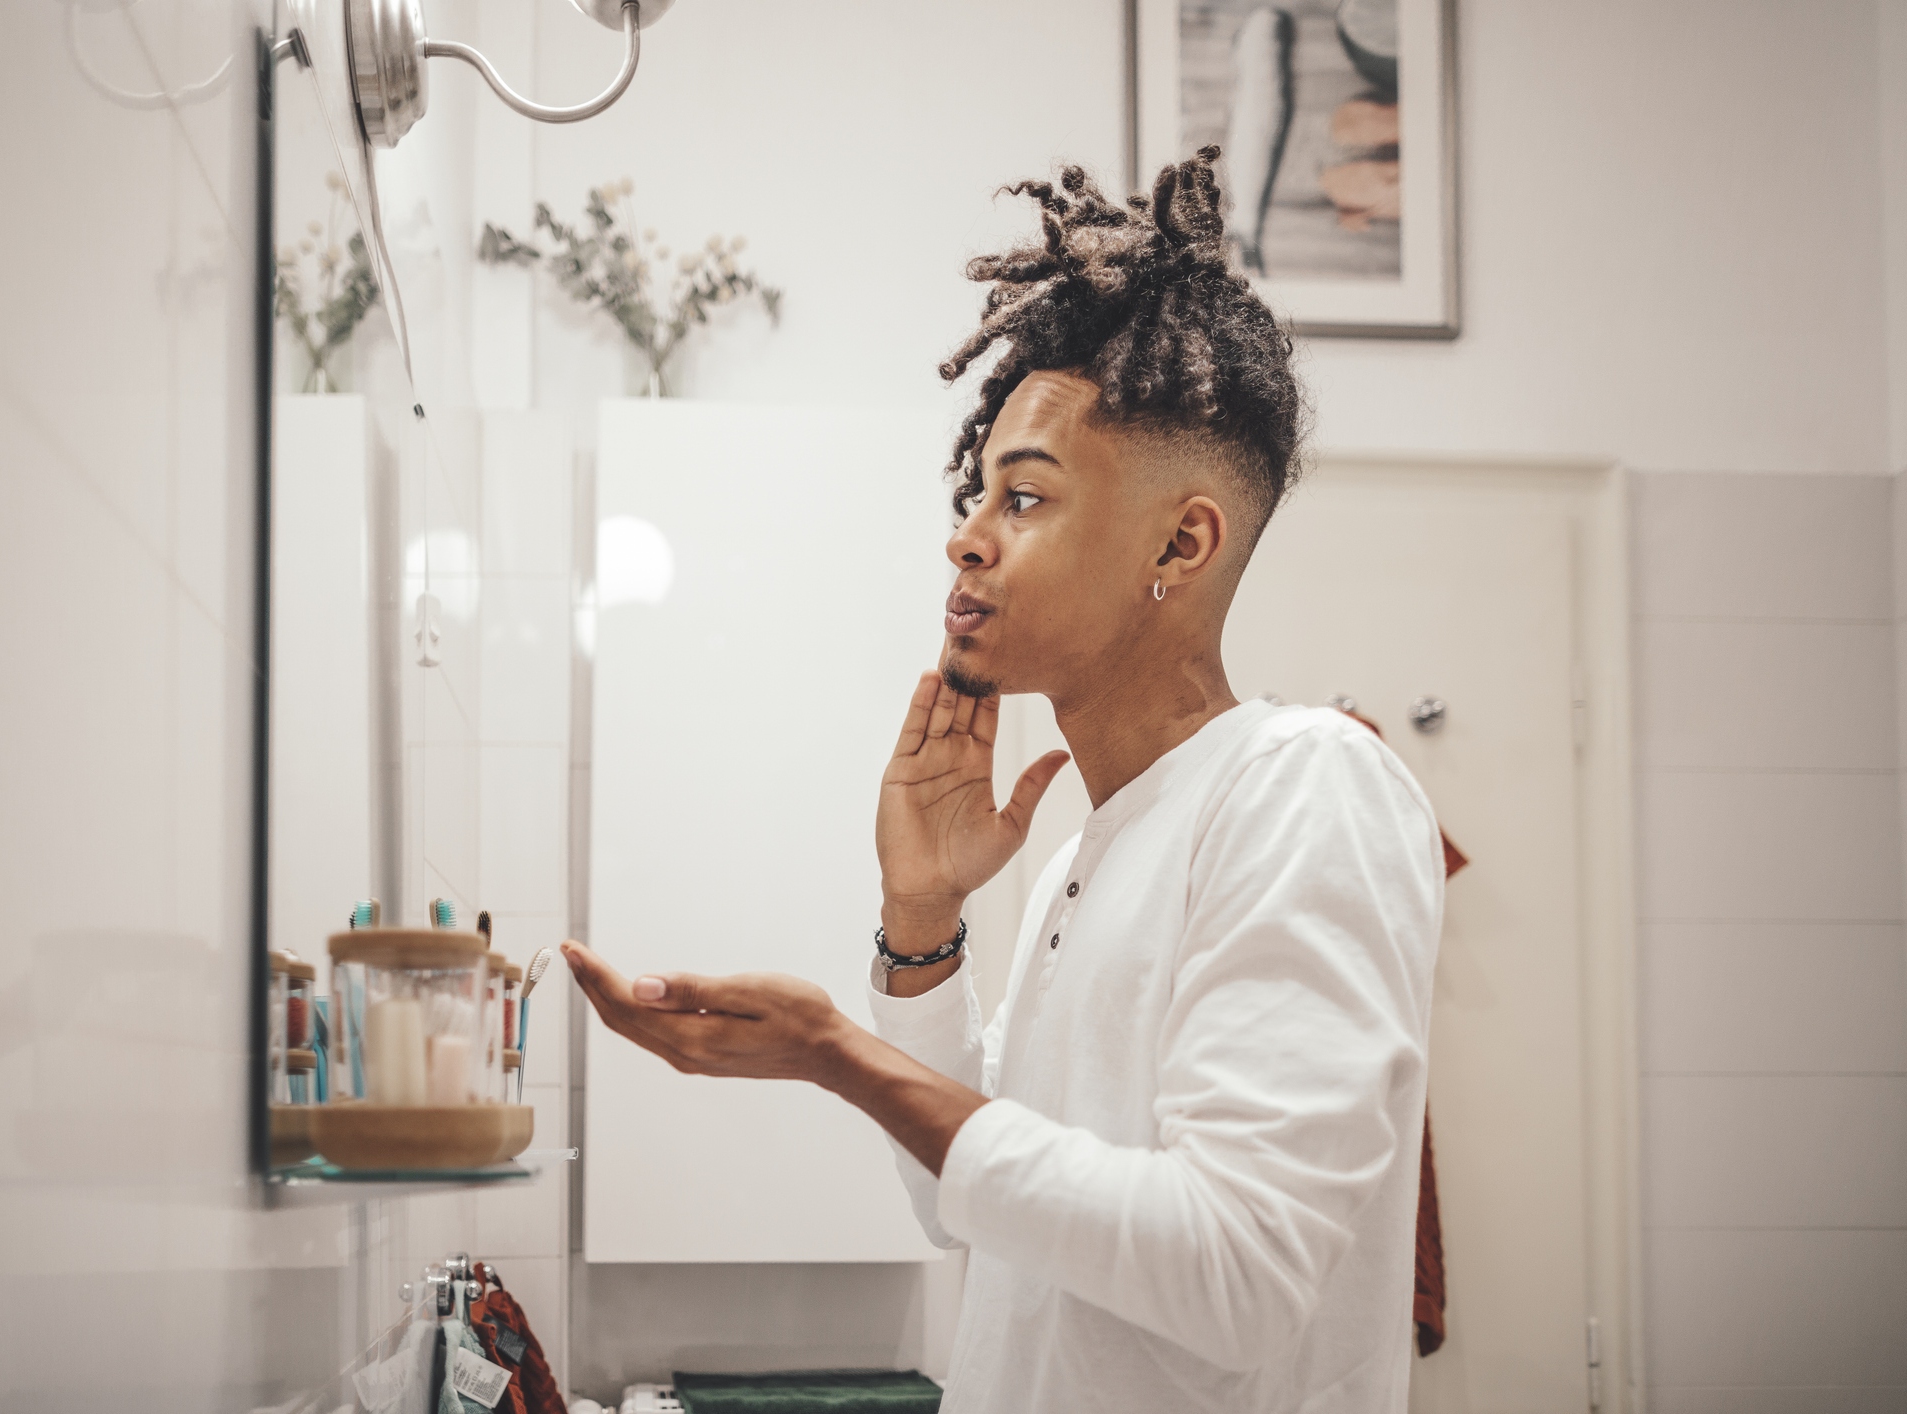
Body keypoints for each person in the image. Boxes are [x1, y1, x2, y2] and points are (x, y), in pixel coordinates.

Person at [561, 148, 1445, 1413]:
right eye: (979, 493)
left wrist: (839, 1056)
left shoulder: (1307, 787)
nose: (966, 533)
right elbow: (962, 1205)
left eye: (1023, 497)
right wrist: (921, 928)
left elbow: (1238, 1270)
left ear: (1180, 542)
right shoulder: (1085, 853)